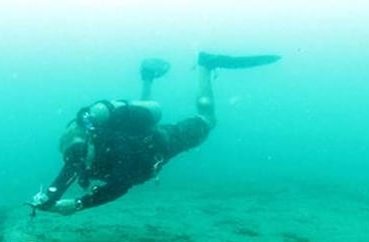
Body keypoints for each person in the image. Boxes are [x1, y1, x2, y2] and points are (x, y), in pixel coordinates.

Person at [29, 52, 281, 216]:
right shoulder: (80, 154)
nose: (74, 166)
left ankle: (205, 66)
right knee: (139, 124)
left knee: (207, 120)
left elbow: (120, 186)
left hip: (164, 141)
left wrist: (77, 205)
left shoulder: (93, 155)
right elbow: (60, 182)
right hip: (141, 136)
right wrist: (48, 200)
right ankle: (148, 78)